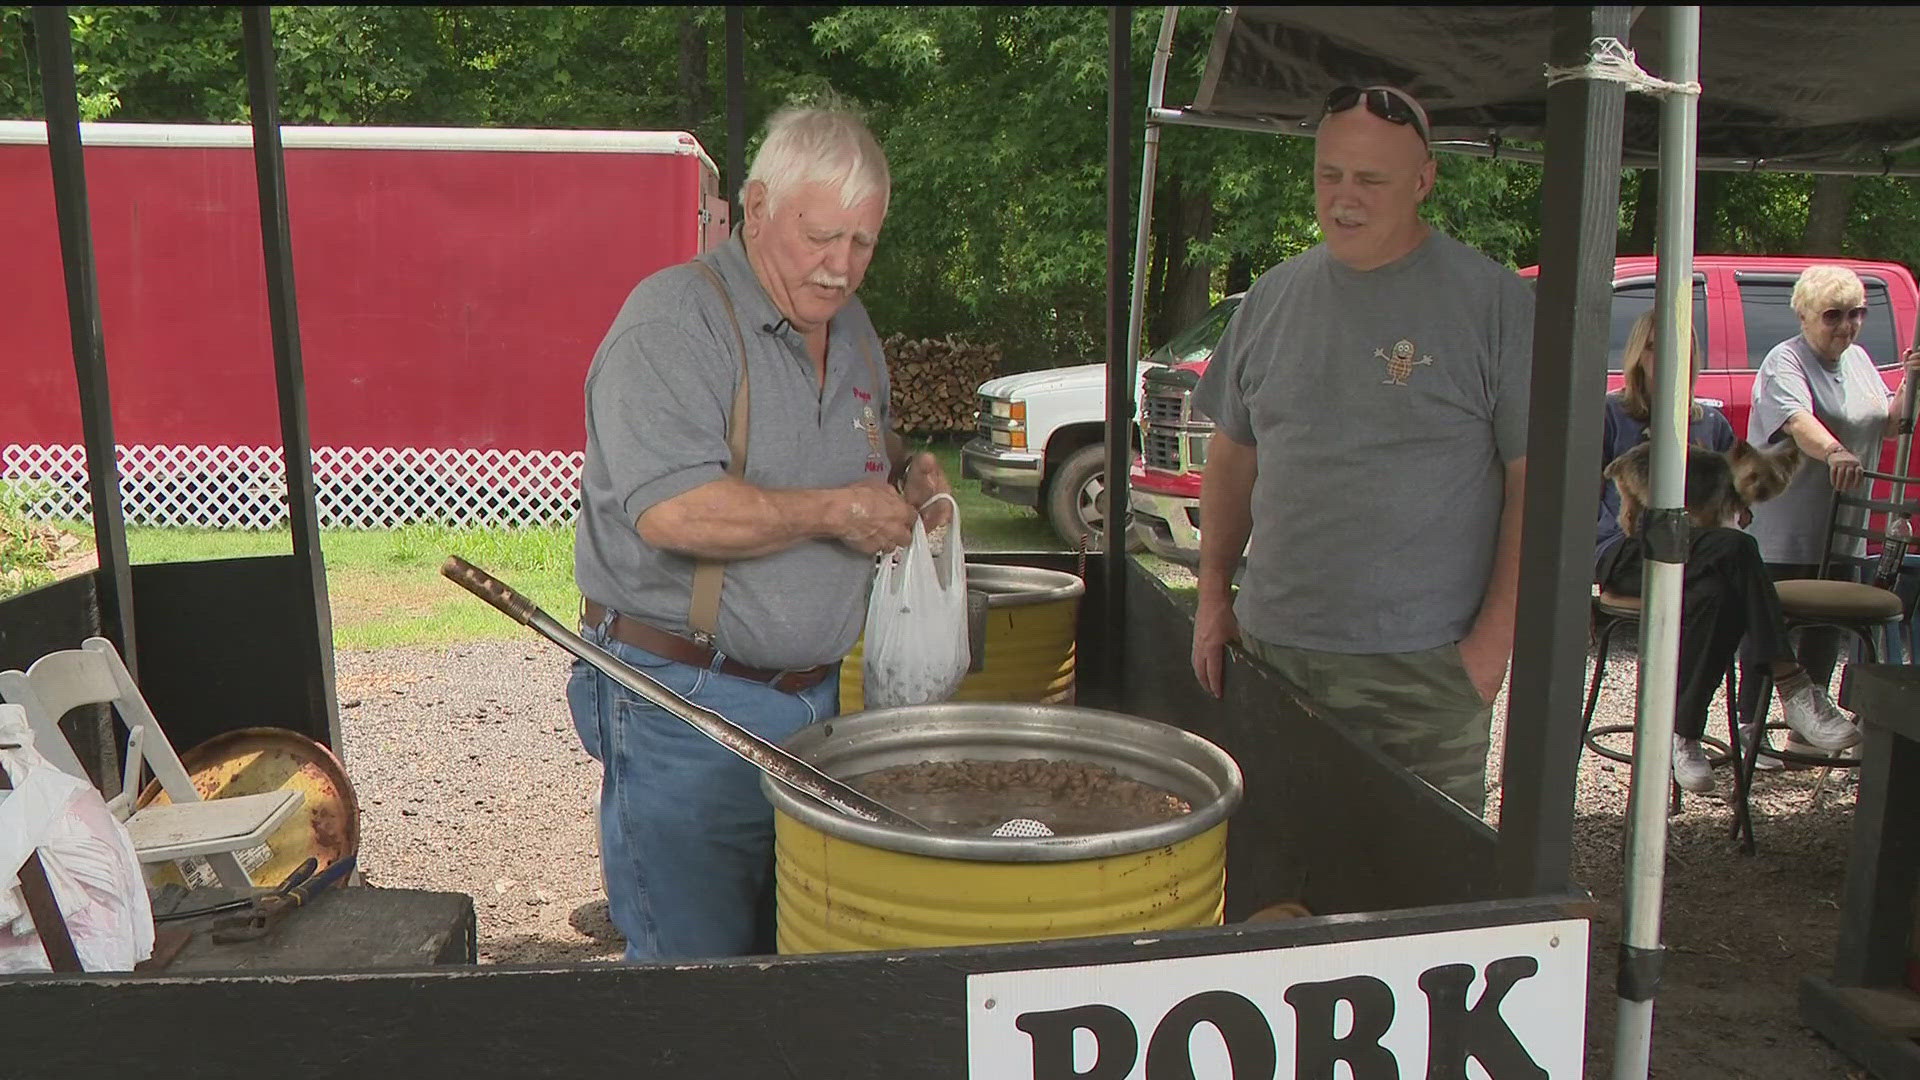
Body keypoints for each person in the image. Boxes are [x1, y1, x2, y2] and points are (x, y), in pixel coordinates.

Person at [568, 106, 951, 961]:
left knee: (797, 954)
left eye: (863, 242)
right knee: (697, 972)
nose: (841, 267)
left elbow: (856, 452)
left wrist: (904, 481)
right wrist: (834, 512)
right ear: (756, 206)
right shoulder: (676, 323)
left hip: (816, 705)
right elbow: (675, 511)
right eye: (821, 237)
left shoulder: (851, 332)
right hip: (687, 700)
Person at [1188, 85, 1528, 816]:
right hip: (1274, 652)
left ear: (1423, 180)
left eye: (1370, 179)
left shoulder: (1495, 305)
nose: (1344, 198)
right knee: (1274, 876)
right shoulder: (1272, 299)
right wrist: (1214, 597)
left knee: (1420, 898)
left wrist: (1489, 650)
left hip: (1422, 671)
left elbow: (1540, 486)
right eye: (1329, 175)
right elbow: (1231, 459)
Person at [1594, 309, 1856, 793]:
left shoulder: (1709, 422)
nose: (1666, 358)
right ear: (1636, 356)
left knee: (1722, 589)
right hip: (1626, 551)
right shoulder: (1612, 414)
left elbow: (1738, 495)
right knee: (1736, 551)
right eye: (1654, 347)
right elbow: (1583, 498)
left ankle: (1683, 735)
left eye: (1680, 349)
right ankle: (1793, 686)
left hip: (1695, 554)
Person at [1738, 265, 1920, 756]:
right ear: (1803, 315)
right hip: (1786, 526)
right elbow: (1798, 422)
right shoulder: (1785, 361)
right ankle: (1750, 730)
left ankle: (1804, 733)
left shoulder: (1858, 359)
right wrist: (1836, 450)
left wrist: (1910, 384)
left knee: (1824, 629)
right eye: (1833, 315)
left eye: (1856, 314)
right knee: (1771, 627)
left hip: (1844, 527)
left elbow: (1888, 422)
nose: (1846, 326)